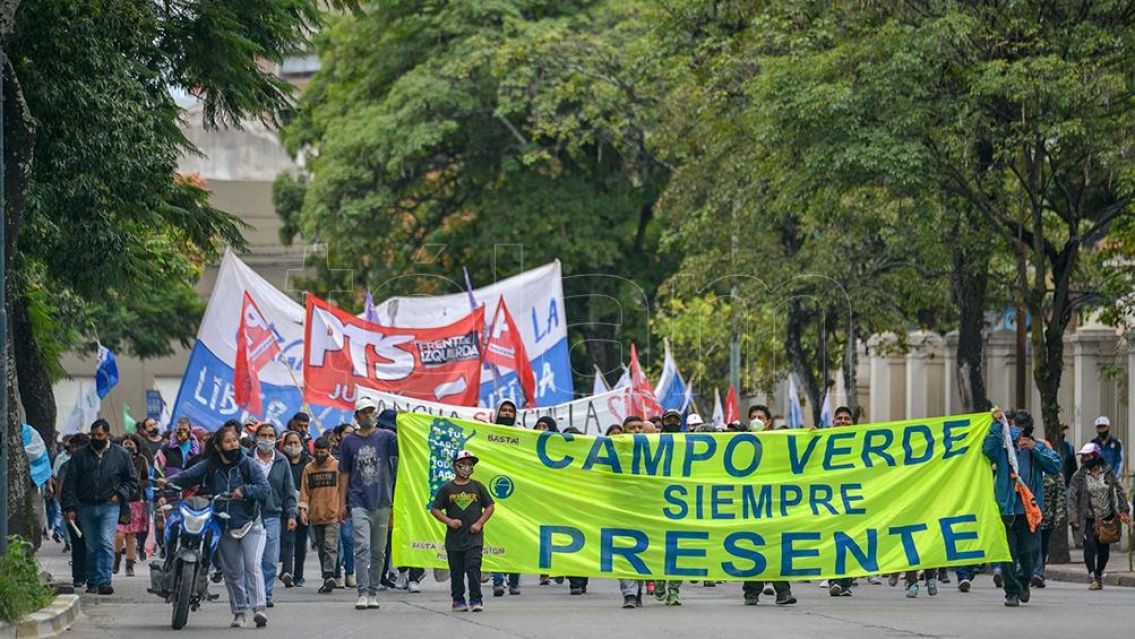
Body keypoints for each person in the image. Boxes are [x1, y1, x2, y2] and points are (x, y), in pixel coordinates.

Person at [166, 425, 271, 628]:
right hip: (223, 523)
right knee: (232, 572)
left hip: (251, 523)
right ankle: (239, 612)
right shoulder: (210, 465)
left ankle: (259, 609)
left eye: (235, 441)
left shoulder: (248, 464)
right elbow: (187, 476)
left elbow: (264, 488)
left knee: (252, 565)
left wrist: (245, 490)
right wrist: (168, 482)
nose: (233, 445)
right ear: (218, 446)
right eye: (228, 442)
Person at [985, 407, 1062, 607]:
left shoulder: (1037, 446)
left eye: (1016, 426)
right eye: (1010, 425)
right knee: (1007, 554)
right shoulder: (1002, 447)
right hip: (1007, 509)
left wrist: (1035, 448)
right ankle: (1011, 592)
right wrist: (995, 424)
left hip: (1030, 511)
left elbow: (1055, 466)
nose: (1013, 430)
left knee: (1030, 552)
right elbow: (987, 450)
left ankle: (1024, 579)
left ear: (1026, 428)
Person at [61, 419, 138, 595]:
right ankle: (93, 580)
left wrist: (119, 494)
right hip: (85, 506)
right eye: (93, 435)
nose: (96, 438)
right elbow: (70, 483)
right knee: (91, 545)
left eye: (100, 435)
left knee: (105, 541)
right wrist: (69, 507)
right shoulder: (80, 456)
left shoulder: (121, 455)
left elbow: (131, 481)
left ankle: (105, 581)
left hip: (109, 506)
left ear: (107, 435)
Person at [338, 395, 398, 611]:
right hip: (358, 501)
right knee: (362, 547)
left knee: (379, 551)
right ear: (357, 416)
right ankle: (362, 592)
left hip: (383, 501)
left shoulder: (387, 437)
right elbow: (344, 473)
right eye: (364, 412)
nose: (368, 415)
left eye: (372, 411)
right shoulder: (349, 441)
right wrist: (341, 502)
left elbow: (404, 452)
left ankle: (373, 591)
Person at [432, 449, 495, 612]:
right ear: (455, 466)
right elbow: (435, 509)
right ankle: (458, 600)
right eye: (463, 464)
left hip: (474, 537)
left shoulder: (477, 487)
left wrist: (480, 523)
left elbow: (490, 506)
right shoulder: (447, 488)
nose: (466, 467)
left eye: (470, 464)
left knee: (474, 567)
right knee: (457, 571)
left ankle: (476, 599)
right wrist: (449, 521)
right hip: (454, 539)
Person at [1067, 442, 1131, 590]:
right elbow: (1072, 498)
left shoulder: (1107, 473)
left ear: (1096, 456)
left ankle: (1099, 573)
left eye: (1088, 456)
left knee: (1104, 551)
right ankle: (1091, 575)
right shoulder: (1079, 476)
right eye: (1083, 456)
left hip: (1106, 518)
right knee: (1089, 545)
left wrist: (1123, 510)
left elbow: (1119, 491)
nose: (1085, 459)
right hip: (1088, 518)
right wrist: (1073, 518)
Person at [251, 423, 297, 608]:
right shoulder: (247, 458)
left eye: (271, 436)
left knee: (269, 559)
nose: (267, 439)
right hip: (249, 516)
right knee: (251, 560)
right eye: (263, 435)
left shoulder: (281, 461)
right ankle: (252, 594)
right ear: (256, 437)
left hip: (272, 515)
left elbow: (289, 490)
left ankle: (267, 595)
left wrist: (291, 514)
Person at [153, 419, 202, 554]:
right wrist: (160, 495)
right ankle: (168, 553)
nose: (182, 433)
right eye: (179, 430)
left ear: (190, 430)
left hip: (192, 496)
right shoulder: (166, 449)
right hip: (170, 495)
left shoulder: (198, 449)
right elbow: (158, 472)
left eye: (185, 430)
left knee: (192, 528)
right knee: (170, 527)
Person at [300, 437, 341, 594]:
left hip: (333, 513)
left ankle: (330, 574)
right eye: (317, 452)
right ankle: (327, 577)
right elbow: (305, 492)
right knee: (322, 548)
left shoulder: (337, 467)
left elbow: (343, 487)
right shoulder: (309, 469)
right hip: (316, 515)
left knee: (330, 545)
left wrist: (343, 507)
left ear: (329, 451)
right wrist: (303, 510)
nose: (319, 455)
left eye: (322, 452)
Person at [491, 399, 522, 597]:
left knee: (516, 538)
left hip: (518, 496)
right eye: (504, 410)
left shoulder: (523, 436)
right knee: (495, 538)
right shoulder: (488, 435)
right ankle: (497, 581)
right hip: (494, 493)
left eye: (511, 411)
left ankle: (515, 580)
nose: (508, 413)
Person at [113, 434, 150, 578]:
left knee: (131, 537)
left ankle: (130, 565)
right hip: (121, 501)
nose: (128, 446)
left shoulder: (142, 460)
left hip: (135, 501)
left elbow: (146, 479)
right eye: (125, 443)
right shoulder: (116, 458)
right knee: (119, 534)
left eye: (131, 444)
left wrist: (137, 486)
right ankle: (116, 560)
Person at [58, 433, 90, 588]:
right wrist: (66, 508)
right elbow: (61, 488)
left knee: (85, 544)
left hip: (87, 509)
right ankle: (80, 575)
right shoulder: (66, 465)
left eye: (74, 447)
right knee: (79, 544)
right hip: (74, 510)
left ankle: (85, 575)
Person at [280, 430, 310, 588]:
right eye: (289, 443)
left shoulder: (308, 463)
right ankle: (287, 572)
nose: (292, 446)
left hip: (305, 507)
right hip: (285, 506)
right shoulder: (280, 461)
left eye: (295, 443)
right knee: (288, 539)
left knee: (301, 542)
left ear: (301, 444)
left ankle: (298, 575)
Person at [1033, 464, 1066, 588]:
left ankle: (1038, 571)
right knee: (1035, 545)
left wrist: (1059, 516)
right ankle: (1037, 573)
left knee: (1043, 546)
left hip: (1048, 518)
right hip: (1032, 517)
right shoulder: (1032, 470)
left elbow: (1061, 497)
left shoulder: (1055, 474)